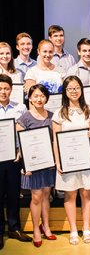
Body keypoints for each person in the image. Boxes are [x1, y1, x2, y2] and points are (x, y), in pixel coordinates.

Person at [52, 76, 90, 245]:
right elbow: (56, 140)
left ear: (81, 89)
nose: (74, 91)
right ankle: (73, 229)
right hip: (68, 160)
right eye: (70, 88)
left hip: (87, 158)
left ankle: (86, 228)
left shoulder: (89, 110)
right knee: (70, 194)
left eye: (77, 88)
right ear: (65, 92)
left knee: (87, 193)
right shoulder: (59, 113)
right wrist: (58, 162)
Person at [16, 84, 57, 247]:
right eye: (35, 96)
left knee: (47, 195)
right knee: (36, 197)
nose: (39, 99)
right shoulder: (25, 118)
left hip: (48, 164)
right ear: (30, 98)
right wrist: (24, 163)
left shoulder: (52, 116)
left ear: (46, 98)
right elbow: (20, 143)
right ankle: (35, 229)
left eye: (42, 96)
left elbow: (55, 140)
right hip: (32, 166)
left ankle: (46, 226)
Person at [0, 74, 31, 250]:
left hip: (14, 157)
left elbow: (24, 133)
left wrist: (20, 150)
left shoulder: (20, 108)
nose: (3, 92)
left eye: (6, 88)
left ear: (11, 89)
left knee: (13, 194)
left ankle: (14, 228)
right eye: (0, 89)